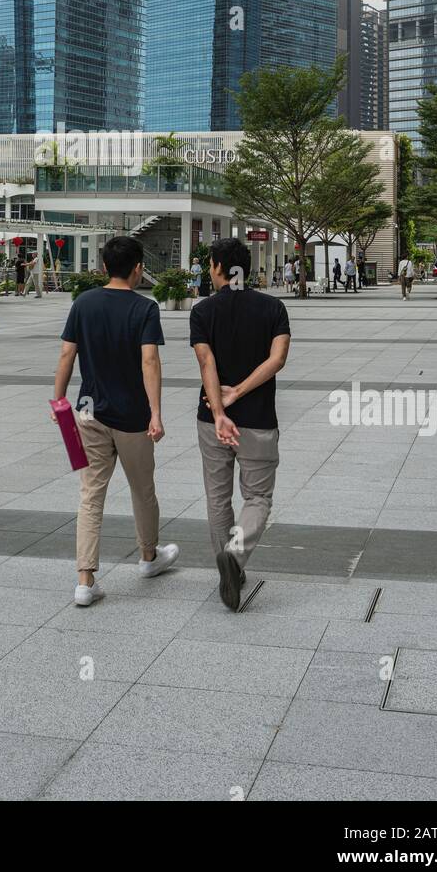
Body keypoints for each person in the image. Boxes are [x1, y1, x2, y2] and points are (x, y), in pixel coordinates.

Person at [52, 235, 179, 607]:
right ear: (138, 268)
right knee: (143, 489)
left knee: (91, 494)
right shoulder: (145, 308)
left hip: (88, 410)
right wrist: (156, 412)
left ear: (104, 267)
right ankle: (148, 558)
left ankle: (85, 580)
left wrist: (58, 401)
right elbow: (150, 361)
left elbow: (66, 354)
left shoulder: (84, 302)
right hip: (132, 415)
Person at [190, 237, 291, 612]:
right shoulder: (273, 308)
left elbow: (206, 364)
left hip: (211, 420)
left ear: (218, 268)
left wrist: (219, 410)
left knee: (218, 498)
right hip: (259, 421)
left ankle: (228, 567)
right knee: (258, 497)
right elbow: (277, 359)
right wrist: (240, 393)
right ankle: (234, 558)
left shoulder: (203, 312)